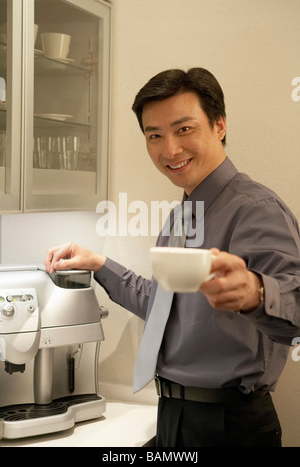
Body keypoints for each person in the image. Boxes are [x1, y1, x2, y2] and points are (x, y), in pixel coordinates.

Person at [44, 68, 300, 447]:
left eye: (184, 129)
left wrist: (256, 293)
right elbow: (165, 304)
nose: (170, 150)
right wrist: (99, 264)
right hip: (175, 414)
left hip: (227, 425)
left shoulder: (255, 209)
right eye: (154, 136)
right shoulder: (184, 213)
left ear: (219, 125)